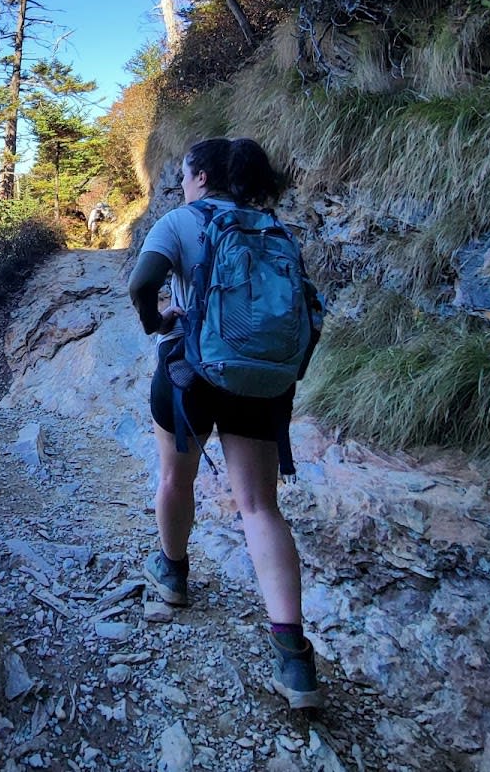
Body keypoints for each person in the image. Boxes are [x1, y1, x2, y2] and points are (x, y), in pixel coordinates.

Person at [127, 137, 324, 709]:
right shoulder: (272, 230)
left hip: (192, 373)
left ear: (204, 178)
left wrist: (156, 319)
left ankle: (172, 578)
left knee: (174, 479)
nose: (183, 186)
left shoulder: (182, 221)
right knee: (260, 507)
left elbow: (141, 283)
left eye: (187, 176)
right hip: (261, 382)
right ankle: (295, 662)